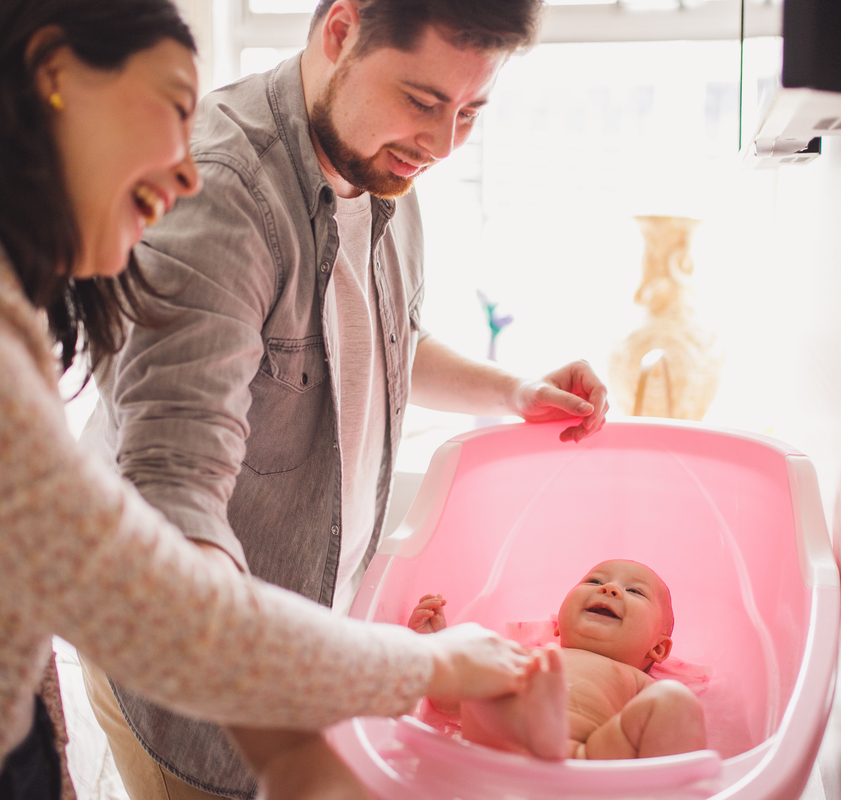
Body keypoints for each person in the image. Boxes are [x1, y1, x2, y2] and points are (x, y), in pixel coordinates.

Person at [0, 1, 538, 798]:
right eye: (171, 110)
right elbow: (150, 580)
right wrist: (433, 666)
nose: (182, 174)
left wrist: (288, 746)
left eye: (469, 113)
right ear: (53, 77)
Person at [77, 0, 611, 796]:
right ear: (340, 33)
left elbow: (374, 345)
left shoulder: (382, 161)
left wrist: (513, 390)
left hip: (300, 649)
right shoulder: (220, 196)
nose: (443, 143)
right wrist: (415, 670)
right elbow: (176, 512)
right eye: (423, 100)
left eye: (470, 111)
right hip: (197, 686)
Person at [409, 560, 708, 760]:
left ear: (658, 649)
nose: (610, 589)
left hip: (586, 758)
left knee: (673, 699)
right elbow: (449, 702)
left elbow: (660, 728)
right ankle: (534, 723)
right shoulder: (531, 657)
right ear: (558, 626)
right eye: (594, 581)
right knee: (481, 655)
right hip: (503, 745)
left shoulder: (639, 682)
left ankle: (666, 789)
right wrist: (435, 644)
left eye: (635, 591)